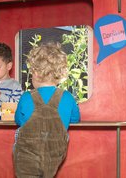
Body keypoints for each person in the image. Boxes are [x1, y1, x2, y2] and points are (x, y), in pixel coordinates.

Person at [13, 42, 80, 178]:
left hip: (27, 156)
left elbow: (19, 120)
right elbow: (75, 119)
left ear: (36, 73)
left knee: (19, 133)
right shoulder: (67, 97)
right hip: (54, 155)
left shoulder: (26, 97)